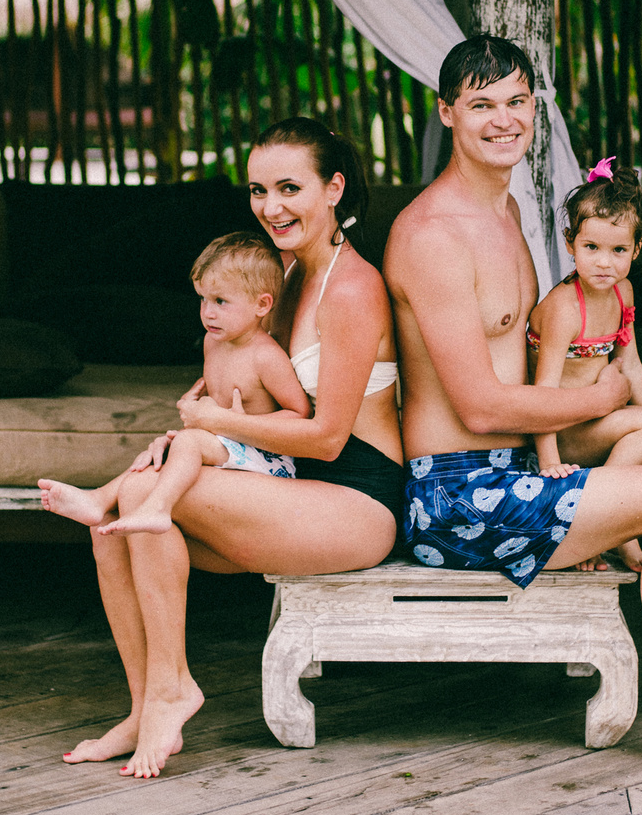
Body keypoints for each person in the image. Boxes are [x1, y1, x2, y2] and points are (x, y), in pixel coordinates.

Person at [383, 34, 642, 770]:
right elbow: (480, 407)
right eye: (482, 104)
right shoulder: (433, 236)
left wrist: (613, 399)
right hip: (456, 494)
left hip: (518, 461)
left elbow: (528, 358)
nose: (504, 120)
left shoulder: (505, 213)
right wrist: (605, 398)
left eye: (517, 101)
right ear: (447, 112)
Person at [40, 117, 404, 779]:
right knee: (116, 521)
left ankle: (173, 689)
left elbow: (327, 437)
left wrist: (212, 426)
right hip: (286, 481)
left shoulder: (352, 287)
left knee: (140, 497)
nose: (271, 206)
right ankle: (146, 704)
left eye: (289, 187)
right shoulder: (278, 275)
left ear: (333, 189)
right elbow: (238, 384)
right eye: (258, 190)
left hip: (356, 496)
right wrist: (189, 435)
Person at [37, 233, 310, 536]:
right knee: (162, 452)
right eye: (203, 299)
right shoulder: (212, 342)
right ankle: (100, 499)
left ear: (261, 304)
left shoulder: (265, 356)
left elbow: (299, 414)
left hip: (267, 460)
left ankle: (158, 508)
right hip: (228, 447)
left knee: (188, 443)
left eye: (221, 301)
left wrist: (235, 424)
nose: (208, 312)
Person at [527, 159, 642, 570]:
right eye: (591, 248)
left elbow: (630, 363)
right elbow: (543, 391)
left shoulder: (623, 293)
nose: (604, 262)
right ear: (570, 243)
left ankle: (617, 525)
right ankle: (605, 527)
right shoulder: (565, 309)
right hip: (565, 432)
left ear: (636, 249)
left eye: (618, 250)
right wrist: (549, 462)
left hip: (597, 421)